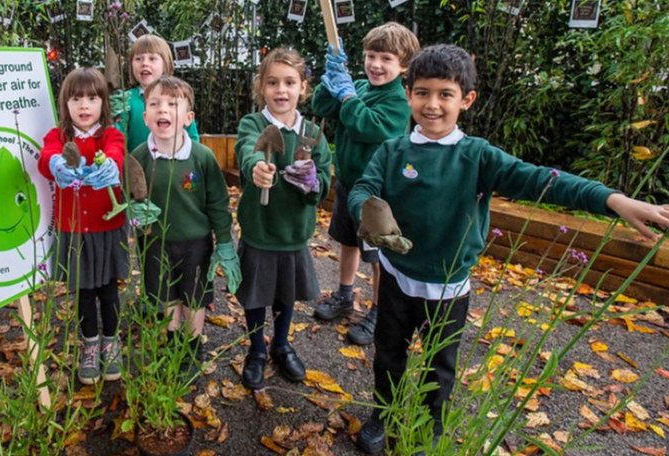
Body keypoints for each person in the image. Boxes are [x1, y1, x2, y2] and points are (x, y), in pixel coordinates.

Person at [348, 44, 669, 454]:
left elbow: (544, 180)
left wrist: (612, 200)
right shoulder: (393, 150)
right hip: (396, 278)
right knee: (389, 354)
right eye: (422, 92)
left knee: (439, 366)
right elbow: (363, 188)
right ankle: (385, 412)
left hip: (448, 290)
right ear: (408, 93)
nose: (432, 104)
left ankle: (430, 427)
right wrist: (368, 209)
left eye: (445, 94)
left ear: (466, 99)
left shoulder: (478, 156)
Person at [311, 22, 420, 346]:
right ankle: (344, 295)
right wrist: (331, 78)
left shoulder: (399, 101)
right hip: (348, 183)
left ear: (403, 67)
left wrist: (347, 95)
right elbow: (322, 107)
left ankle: (379, 308)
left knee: (377, 256)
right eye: (371, 55)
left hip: (376, 196)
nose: (375, 64)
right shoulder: (357, 85)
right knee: (347, 241)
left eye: (386, 58)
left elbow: (367, 126)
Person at [129, 76, 239, 382]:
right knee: (166, 297)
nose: (163, 110)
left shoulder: (201, 156)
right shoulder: (138, 157)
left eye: (172, 104)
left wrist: (225, 243)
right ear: (145, 116)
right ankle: (173, 341)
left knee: (194, 298)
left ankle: (191, 346)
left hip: (195, 243)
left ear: (188, 117)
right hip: (154, 243)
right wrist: (132, 210)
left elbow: (217, 202)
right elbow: (127, 196)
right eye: (155, 104)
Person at [234, 48, 331, 390]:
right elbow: (247, 149)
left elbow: (324, 182)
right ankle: (257, 349)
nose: (281, 90)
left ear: (303, 88)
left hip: (293, 233)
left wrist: (313, 183)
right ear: (261, 86)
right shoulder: (253, 124)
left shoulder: (313, 135)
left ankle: (281, 344)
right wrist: (257, 168)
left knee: (285, 295)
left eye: (290, 82)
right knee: (257, 295)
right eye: (273, 82)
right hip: (260, 230)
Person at [37, 68, 127, 385]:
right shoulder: (59, 136)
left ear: (104, 103)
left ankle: (111, 342)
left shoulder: (111, 134)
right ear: (66, 104)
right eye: (76, 99)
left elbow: (116, 153)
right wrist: (55, 163)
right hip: (73, 231)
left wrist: (112, 168)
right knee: (84, 292)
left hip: (107, 227)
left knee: (109, 291)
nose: (84, 106)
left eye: (92, 98)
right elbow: (46, 155)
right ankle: (90, 345)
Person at [114, 34, 199, 152]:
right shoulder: (125, 100)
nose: (144, 63)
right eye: (138, 58)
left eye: (152, 58)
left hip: (175, 167)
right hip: (137, 167)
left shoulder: (178, 97)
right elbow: (118, 140)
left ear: (165, 64)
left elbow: (192, 140)